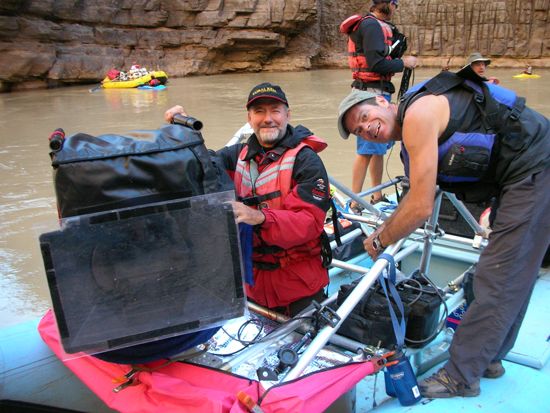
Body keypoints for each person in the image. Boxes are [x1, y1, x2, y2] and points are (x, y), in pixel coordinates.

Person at [337, 71, 550, 398]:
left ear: (383, 101)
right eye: (358, 129)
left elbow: (420, 207)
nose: (365, 128)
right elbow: (417, 196)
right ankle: (489, 358)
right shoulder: (412, 129)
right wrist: (385, 228)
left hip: (536, 168)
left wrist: (379, 240)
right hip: (518, 175)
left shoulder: (419, 115)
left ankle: (461, 377)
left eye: (365, 117)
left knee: (499, 277)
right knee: (513, 273)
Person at [164, 83, 331, 317]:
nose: (268, 118)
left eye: (275, 110)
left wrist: (259, 216)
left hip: (299, 286)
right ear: (250, 118)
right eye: (259, 111)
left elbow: (308, 223)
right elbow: (201, 166)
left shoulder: (307, 160)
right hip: (251, 284)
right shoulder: (236, 155)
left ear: (287, 115)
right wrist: (180, 133)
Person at [342, 0, 417, 209]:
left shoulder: (374, 25)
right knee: (366, 150)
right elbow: (376, 63)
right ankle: (355, 203)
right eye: (394, 3)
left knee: (378, 149)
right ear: (384, 4)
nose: (395, 8)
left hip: (375, 90)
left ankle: (376, 196)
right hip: (369, 94)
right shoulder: (371, 25)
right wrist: (404, 63)